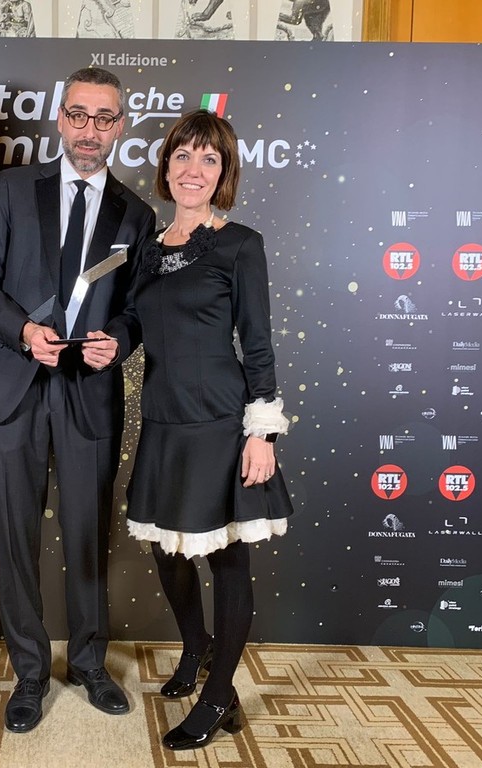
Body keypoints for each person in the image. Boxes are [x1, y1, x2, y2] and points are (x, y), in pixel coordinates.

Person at [0, 67, 155, 733]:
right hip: (11, 389)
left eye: (104, 118)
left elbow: (136, 310)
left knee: (87, 533)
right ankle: (28, 672)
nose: (89, 130)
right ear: (60, 118)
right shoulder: (13, 190)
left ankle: (89, 663)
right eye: (79, 115)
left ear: (120, 127)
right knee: (15, 536)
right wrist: (24, 332)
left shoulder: (136, 214)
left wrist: (120, 342)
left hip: (88, 394)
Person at [126, 109, 294, 750]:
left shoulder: (240, 244)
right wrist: (107, 343)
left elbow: (259, 344)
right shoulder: (146, 248)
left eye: (209, 159)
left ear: (223, 174)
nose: (193, 169)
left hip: (222, 423)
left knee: (226, 559)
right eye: (182, 156)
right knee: (166, 551)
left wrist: (262, 433)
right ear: (165, 166)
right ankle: (196, 646)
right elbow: (136, 324)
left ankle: (220, 695)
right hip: (162, 420)